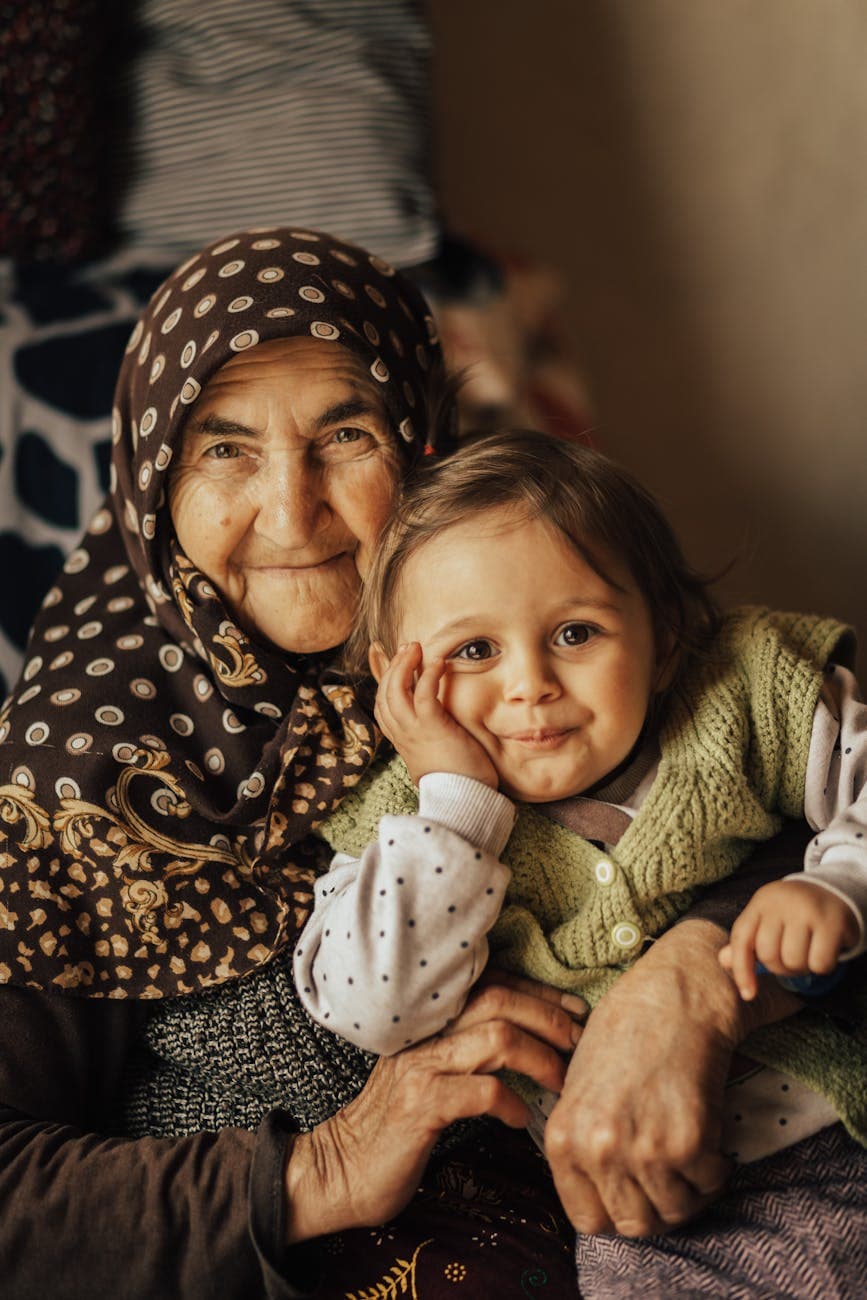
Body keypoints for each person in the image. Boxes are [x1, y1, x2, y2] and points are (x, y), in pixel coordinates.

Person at [0, 230, 848, 1300]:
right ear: (153, 477)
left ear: (422, 444)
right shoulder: (76, 769)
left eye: (345, 434)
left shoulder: (525, 613)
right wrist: (330, 1161)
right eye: (223, 448)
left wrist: (689, 977)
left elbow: (761, 772)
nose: (291, 510)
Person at [295, 431, 867, 1294]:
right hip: (642, 1223)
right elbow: (374, 1008)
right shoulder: (401, 824)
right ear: (394, 681)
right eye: (473, 651)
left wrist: (837, 884)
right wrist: (451, 796)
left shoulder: (747, 691)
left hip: (841, 1138)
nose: (529, 684)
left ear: (665, 636)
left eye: (574, 632)